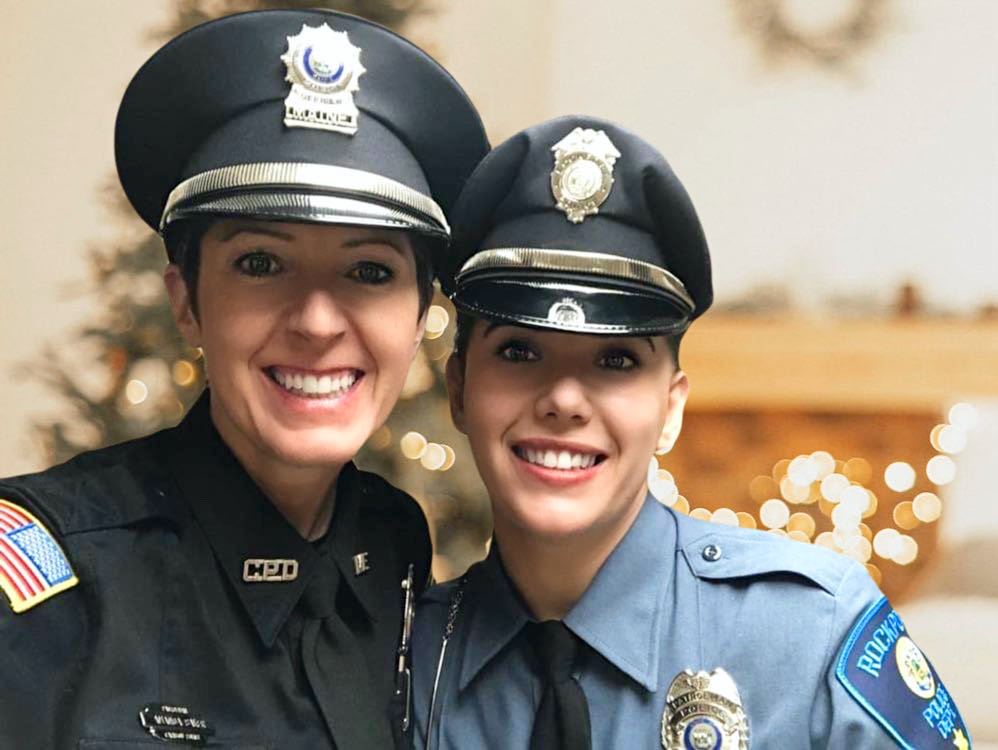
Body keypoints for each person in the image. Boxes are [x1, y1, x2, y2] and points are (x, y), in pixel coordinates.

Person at [0, 9, 487, 749]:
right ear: (187, 303)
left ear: (421, 315)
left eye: (369, 271)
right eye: (261, 263)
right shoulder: (55, 582)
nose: (318, 323)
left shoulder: (392, 549)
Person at [410, 116, 972, 749]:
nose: (564, 400)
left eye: (616, 360)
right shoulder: (407, 660)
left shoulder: (812, 632)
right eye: (519, 352)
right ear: (459, 389)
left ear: (671, 409)